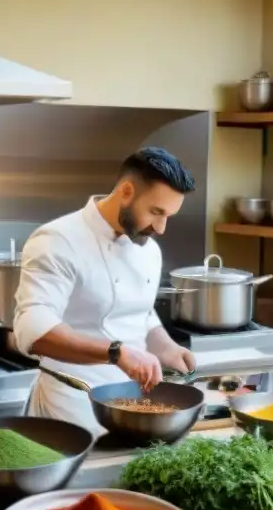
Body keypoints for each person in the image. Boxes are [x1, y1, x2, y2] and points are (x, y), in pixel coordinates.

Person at [13, 147, 197, 433]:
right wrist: (116, 352)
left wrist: (167, 348)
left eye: (168, 216)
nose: (160, 228)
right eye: (155, 212)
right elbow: (33, 330)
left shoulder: (149, 249)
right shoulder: (57, 240)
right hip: (70, 406)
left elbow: (142, 314)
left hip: (133, 406)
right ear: (126, 191)